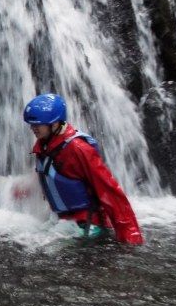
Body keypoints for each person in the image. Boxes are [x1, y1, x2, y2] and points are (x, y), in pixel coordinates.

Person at [22, 93, 144, 244]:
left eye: (37, 124)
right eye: (31, 124)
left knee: (40, 251)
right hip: (64, 223)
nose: (33, 128)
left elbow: (110, 191)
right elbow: (50, 178)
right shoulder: (45, 145)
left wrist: (131, 237)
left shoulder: (78, 149)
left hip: (87, 225)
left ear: (54, 123)